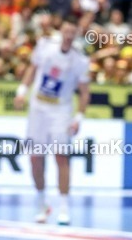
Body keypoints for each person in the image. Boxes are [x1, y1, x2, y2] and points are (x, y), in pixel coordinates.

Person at [13, 14, 90, 226]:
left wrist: (78, 117)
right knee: (35, 157)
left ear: (75, 36)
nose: (67, 36)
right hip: (38, 107)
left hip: (61, 110)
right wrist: (22, 91)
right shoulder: (45, 46)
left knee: (61, 156)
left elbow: (84, 92)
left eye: (71, 34)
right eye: (65, 31)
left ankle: (64, 206)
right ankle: (41, 202)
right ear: (60, 31)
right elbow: (32, 69)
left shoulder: (80, 61)